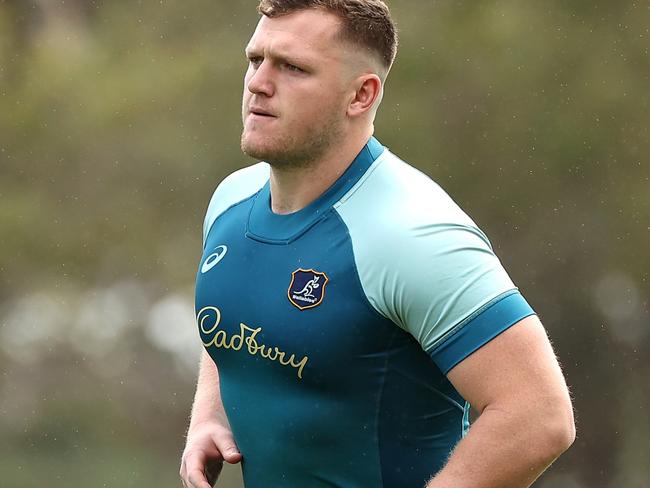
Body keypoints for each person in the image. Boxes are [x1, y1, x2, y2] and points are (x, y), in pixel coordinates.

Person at [179, 1, 575, 487]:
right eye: (256, 59)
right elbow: (236, 324)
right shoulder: (231, 201)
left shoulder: (413, 234)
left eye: (293, 67)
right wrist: (211, 415)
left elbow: (539, 415)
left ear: (361, 96)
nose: (259, 83)